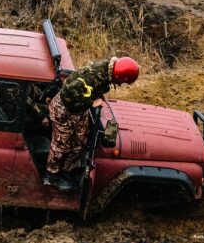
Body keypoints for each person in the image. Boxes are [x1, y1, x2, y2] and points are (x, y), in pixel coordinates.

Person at [45, 56, 140, 191]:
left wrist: (96, 97)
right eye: (123, 82)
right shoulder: (95, 74)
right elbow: (69, 89)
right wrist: (91, 103)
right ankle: (52, 176)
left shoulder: (107, 71)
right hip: (64, 110)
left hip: (79, 111)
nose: (121, 84)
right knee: (61, 144)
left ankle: (67, 171)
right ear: (120, 75)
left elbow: (91, 88)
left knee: (80, 141)